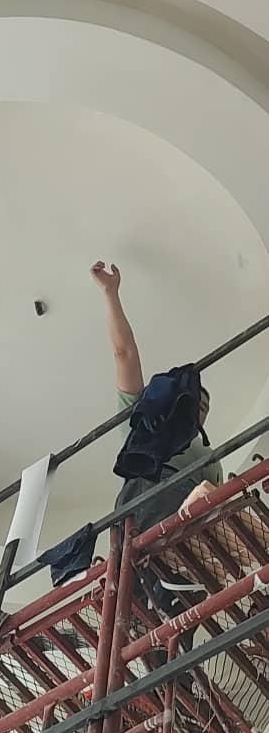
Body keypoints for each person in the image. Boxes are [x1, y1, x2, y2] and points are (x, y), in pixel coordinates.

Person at [91, 261, 223, 630]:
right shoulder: (144, 430)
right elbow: (125, 354)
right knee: (141, 617)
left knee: (173, 625)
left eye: (204, 408)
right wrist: (110, 294)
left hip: (180, 541)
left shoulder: (208, 457)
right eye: (194, 401)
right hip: (142, 527)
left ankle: (163, 625)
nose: (200, 409)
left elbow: (215, 511)